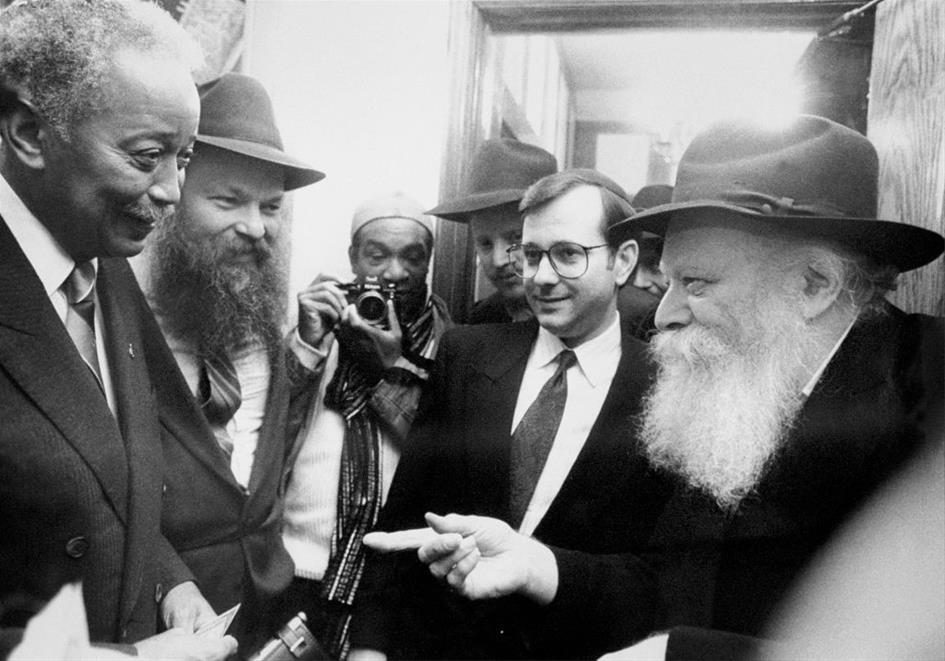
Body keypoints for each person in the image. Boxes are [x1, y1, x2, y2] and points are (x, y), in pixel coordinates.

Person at [373, 115, 944, 661]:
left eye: (695, 283)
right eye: (669, 282)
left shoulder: (931, 392)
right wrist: (536, 565)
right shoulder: (736, 396)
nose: (664, 314)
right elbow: (668, 584)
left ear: (813, 285)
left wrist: (685, 654)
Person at [351, 169, 671, 660]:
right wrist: (369, 647)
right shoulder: (466, 354)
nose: (541, 277)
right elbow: (403, 516)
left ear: (623, 260)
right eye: (533, 255)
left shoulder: (664, 389)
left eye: (568, 255)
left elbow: (657, 581)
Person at [0, 1, 234, 659]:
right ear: (29, 133)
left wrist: (168, 578)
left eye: (183, 158)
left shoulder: (104, 264)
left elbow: (105, 478)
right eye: (148, 155)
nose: (172, 191)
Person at [131, 72, 324, 653]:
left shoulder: (260, 314)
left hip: (263, 607)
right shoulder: (117, 320)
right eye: (228, 200)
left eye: (271, 206)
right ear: (171, 195)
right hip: (158, 621)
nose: (257, 227)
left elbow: (262, 454)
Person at [277, 192, 452, 658]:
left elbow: (443, 457)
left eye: (412, 257)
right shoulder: (321, 328)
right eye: (377, 256)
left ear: (429, 263)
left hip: (395, 585)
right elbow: (269, 435)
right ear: (353, 258)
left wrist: (390, 368)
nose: (395, 273)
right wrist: (307, 344)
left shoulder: (453, 346)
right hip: (296, 570)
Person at [427, 138, 557, 324]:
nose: (498, 260)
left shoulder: (588, 319)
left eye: (517, 237)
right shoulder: (484, 318)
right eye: (485, 243)